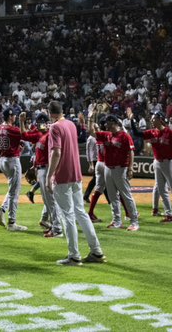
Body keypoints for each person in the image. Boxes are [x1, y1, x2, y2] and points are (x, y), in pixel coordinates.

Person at [45, 101, 105, 266]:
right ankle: (97, 251)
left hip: (62, 176)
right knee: (80, 213)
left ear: (50, 113)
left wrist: (49, 176)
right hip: (76, 174)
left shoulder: (55, 127)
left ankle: (74, 255)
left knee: (68, 216)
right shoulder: (70, 124)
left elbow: (56, 152)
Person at [139, 112, 172, 225]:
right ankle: (169, 214)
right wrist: (131, 120)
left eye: (154, 119)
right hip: (157, 162)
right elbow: (138, 134)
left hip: (168, 162)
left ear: (160, 119)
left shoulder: (169, 132)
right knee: (161, 189)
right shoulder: (152, 132)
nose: (152, 121)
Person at [94, 115, 140, 231]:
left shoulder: (124, 135)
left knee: (126, 195)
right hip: (108, 168)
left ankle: (134, 221)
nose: (105, 125)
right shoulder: (107, 135)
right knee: (113, 196)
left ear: (114, 123)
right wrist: (90, 119)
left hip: (121, 169)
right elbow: (93, 133)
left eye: (108, 123)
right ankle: (117, 220)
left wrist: (130, 168)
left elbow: (131, 152)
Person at [0, 108, 28, 231]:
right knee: (15, 192)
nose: (15, 118)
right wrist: (22, 122)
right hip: (12, 160)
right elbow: (25, 135)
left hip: (2, 161)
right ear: (10, 117)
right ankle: (12, 223)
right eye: (14, 116)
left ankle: (1, 210)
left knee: (12, 189)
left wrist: (4, 150)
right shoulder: (13, 129)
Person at [27, 113, 61, 237]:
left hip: (47, 168)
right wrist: (35, 166)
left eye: (42, 122)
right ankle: (54, 226)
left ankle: (57, 229)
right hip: (41, 169)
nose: (40, 125)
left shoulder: (49, 136)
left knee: (51, 201)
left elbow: (56, 154)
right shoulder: (42, 136)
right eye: (39, 123)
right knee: (47, 201)